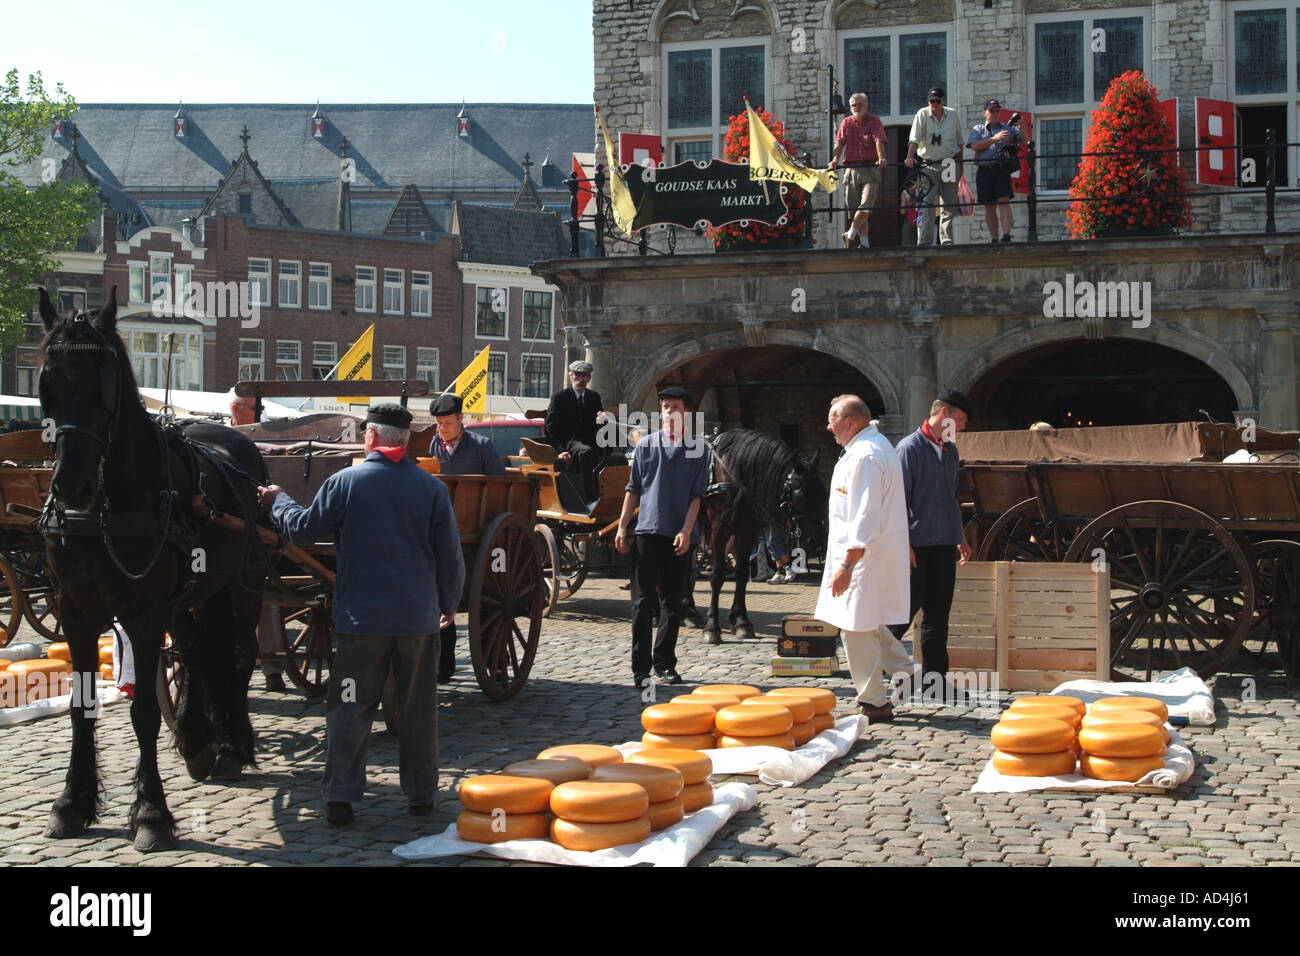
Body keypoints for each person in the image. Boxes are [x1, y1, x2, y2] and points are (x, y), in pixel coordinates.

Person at [258, 403, 464, 826]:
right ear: (404, 442)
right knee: (418, 708)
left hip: (361, 622)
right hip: (415, 623)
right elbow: (451, 558)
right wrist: (446, 606)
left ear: (370, 437)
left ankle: (340, 797)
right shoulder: (431, 489)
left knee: (350, 704)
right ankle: (422, 795)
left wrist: (277, 501)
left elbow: (302, 530)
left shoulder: (344, 483)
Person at [814, 395, 914, 722]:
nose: (828, 427)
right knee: (866, 621)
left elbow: (866, 517)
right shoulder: (869, 448)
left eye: (833, 420)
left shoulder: (867, 456)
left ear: (851, 421)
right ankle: (909, 674)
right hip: (867, 556)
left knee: (855, 628)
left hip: (862, 559)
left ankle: (874, 701)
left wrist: (847, 566)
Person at [614, 386, 709, 688]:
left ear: (687, 412)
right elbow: (633, 488)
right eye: (665, 406)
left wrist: (686, 530)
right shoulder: (646, 446)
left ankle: (664, 663)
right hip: (647, 531)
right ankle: (640, 669)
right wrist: (621, 526)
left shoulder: (698, 449)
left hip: (680, 535)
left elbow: (697, 496)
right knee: (642, 603)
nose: (669, 412)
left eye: (675, 407)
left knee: (673, 602)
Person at [888, 389, 974, 702]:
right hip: (916, 543)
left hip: (943, 542)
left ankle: (935, 682)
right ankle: (881, 669)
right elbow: (897, 500)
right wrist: (904, 543)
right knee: (904, 612)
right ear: (943, 413)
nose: (962, 426)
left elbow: (952, 498)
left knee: (939, 614)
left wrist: (960, 536)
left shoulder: (950, 451)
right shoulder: (909, 448)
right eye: (960, 419)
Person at [427, 392, 505, 684]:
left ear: (461, 419)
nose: (442, 428)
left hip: (477, 531)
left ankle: (493, 661)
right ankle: (442, 665)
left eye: (447, 422)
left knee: (486, 595)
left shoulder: (482, 447)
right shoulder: (432, 445)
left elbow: (499, 486)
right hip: (438, 529)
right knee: (438, 596)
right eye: (438, 423)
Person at [829, 92, 888, 249]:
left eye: (860, 104)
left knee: (866, 205)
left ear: (866, 106)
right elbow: (840, 143)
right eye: (854, 105)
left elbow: (879, 140)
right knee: (857, 210)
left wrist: (881, 157)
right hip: (852, 170)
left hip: (870, 168)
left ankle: (849, 234)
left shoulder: (874, 121)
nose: (857, 107)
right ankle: (865, 244)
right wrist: (835, 160)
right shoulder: (846, 123)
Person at [905, 87, 963, 246]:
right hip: (928, 164)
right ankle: (924, 241)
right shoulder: (922, 114)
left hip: (949, 162)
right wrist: (910, 157)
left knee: (948, 203)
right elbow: (914, 139)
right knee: (926, 203)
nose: (934, 104)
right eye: (932, 101)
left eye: (937, 101)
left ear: (943, 101)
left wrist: (961, 166)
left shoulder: (953, 115)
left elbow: (959, 142)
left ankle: (946, 240)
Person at [545, 360, 605, 501]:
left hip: (589, 440)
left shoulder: (594, 397)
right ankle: (587, 498)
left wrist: (602, 420)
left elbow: (599, 425)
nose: (581, 379)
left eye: (585, 376)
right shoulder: (560, 398)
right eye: (578, 375)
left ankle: (608, 494)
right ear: (571, 377)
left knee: (616, 454)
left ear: (589, 378)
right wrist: (560, 451)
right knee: (586, 452)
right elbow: (550, 428)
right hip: (568, 443)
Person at [965, 100, 1022, 243]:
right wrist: (994, 139)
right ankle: (994, 238)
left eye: (997, 111)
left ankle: (1007, 235)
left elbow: (1024, 142)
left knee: (1004, 201)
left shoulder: (1007, 128)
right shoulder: (978, 129)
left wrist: (1023, 128)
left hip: (1001, 169)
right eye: (992, 111)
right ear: (985, 113)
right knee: (989, 206)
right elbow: (974, 146)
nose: (996, 113)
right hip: (984, 170)